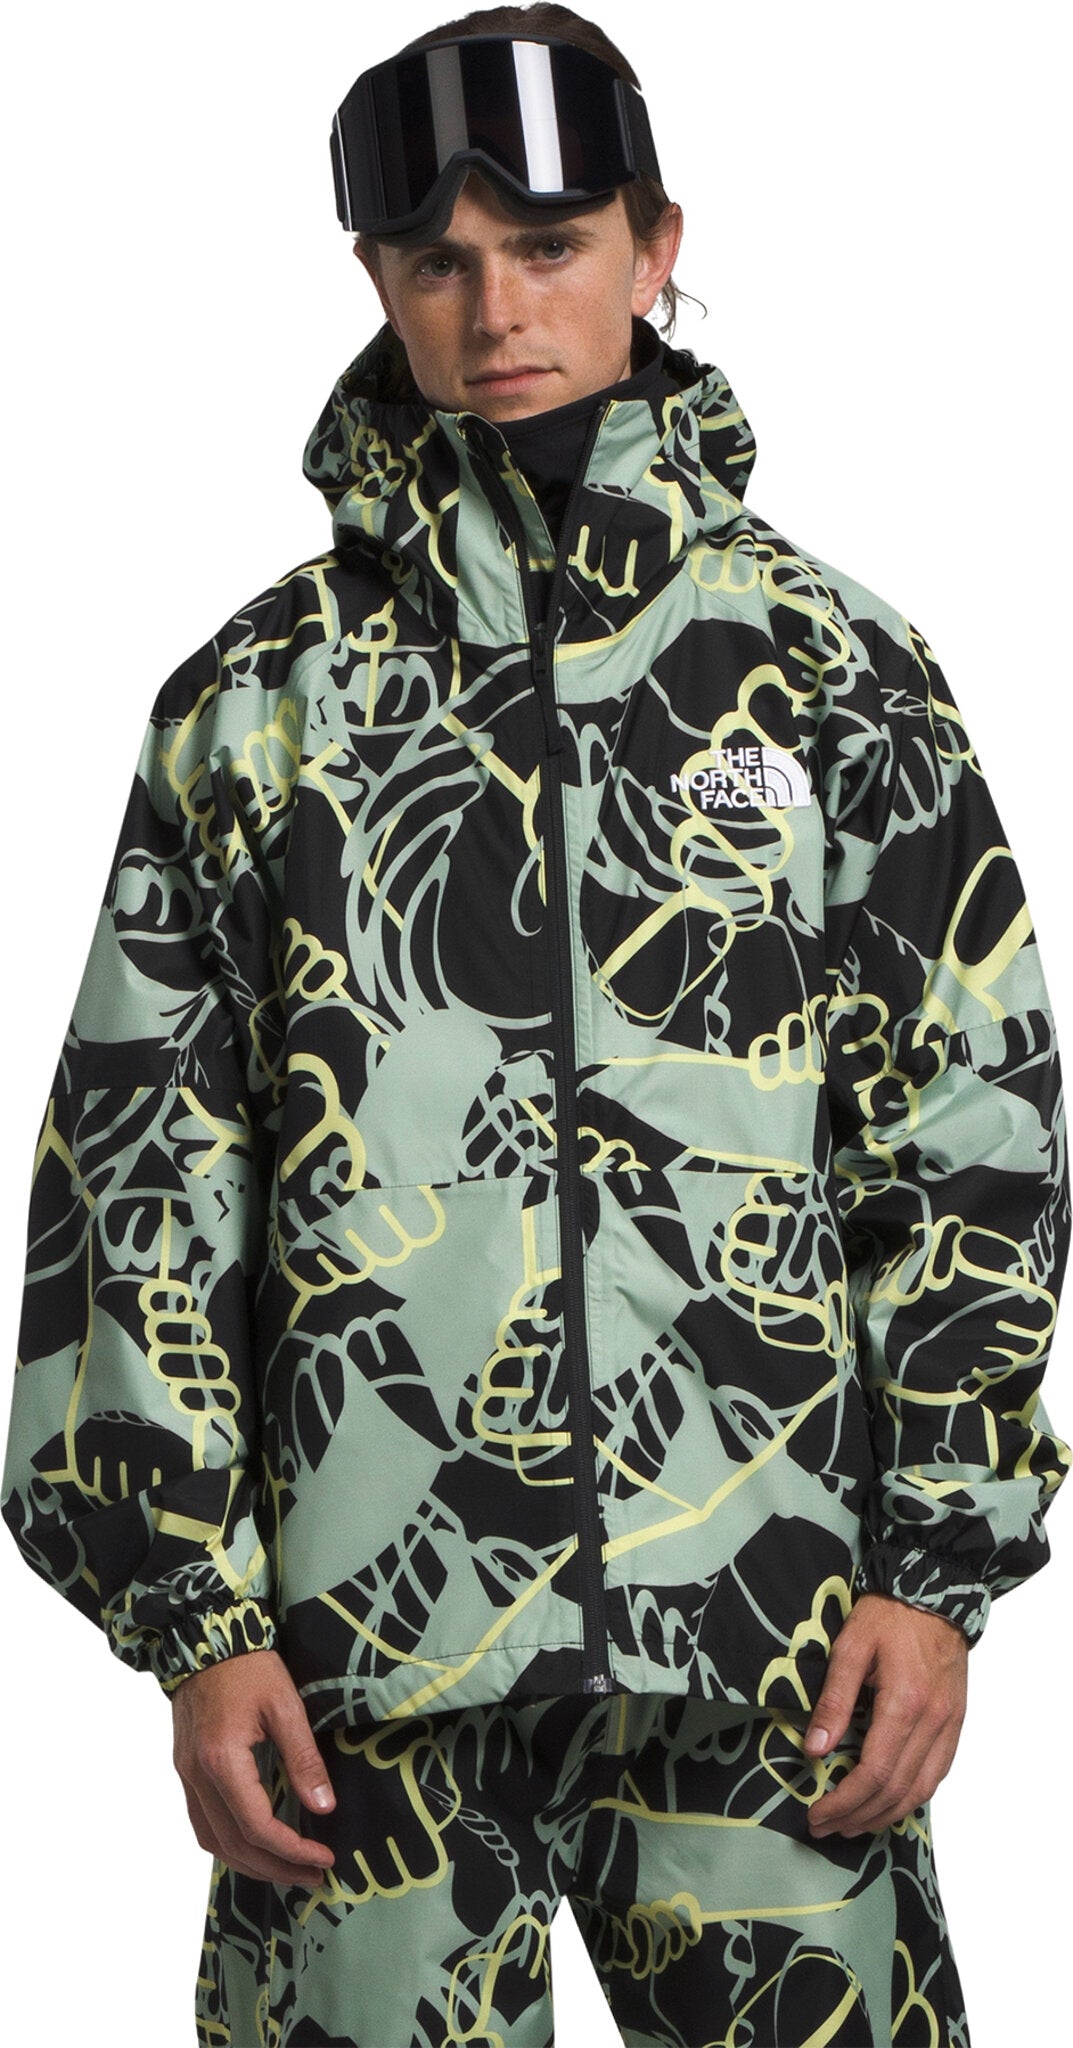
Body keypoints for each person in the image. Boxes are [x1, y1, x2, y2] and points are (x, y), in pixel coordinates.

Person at [2, 5, 1069, 2044]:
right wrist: (193, 1621)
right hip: (360, 1673)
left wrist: (936, 1569)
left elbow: (969, 1133)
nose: (497, 310)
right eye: (440, 260)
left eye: (552, 244)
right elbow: (141, 1178)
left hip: (771, 1647)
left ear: (656, 246)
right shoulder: (256, 708)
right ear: (378, 279)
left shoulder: (834, 674)